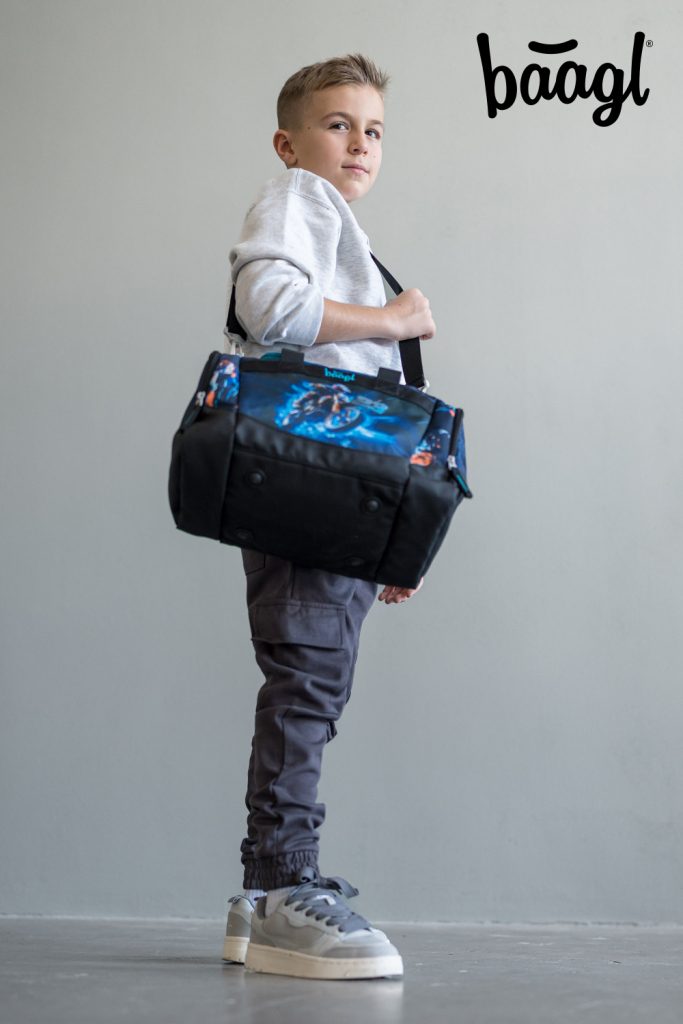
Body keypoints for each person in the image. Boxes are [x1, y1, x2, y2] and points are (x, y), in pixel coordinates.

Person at [221, 53, 435, 981]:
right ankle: (282, 888)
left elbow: (351, 401)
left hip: (327, 496)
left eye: (373, 130)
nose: (359, 143)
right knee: (306, 685)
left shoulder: (334, 222)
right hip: (303, 495)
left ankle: (260, 897)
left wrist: (385, 535)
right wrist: (392, 320)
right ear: (289, 142)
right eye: (338, 124)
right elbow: (271, 308)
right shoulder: (296, 199)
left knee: (312, 683)